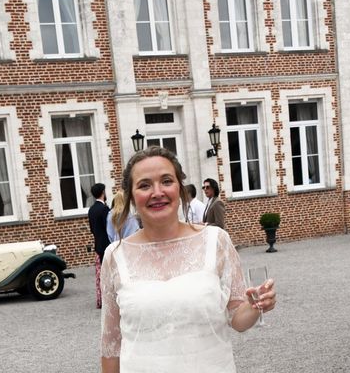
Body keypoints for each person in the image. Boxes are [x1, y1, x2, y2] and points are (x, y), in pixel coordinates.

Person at [100, 146, 276, 373]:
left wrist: (255, 307)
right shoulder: (115, 256)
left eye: (166, 181)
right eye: (144, 185)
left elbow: (236, 317)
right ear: (132, 196)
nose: (157, 192)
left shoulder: (216, 241)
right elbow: (111, 345)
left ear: (180, 188)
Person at [88, 183, 110, 309]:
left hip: (97, 245)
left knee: (100, 274)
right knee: (107, 274)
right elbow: (109, 229)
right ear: (103, 192)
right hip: (106, 244)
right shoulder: (104, 209)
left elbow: (92, 229)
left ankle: (100, 299)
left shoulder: (91, 209)